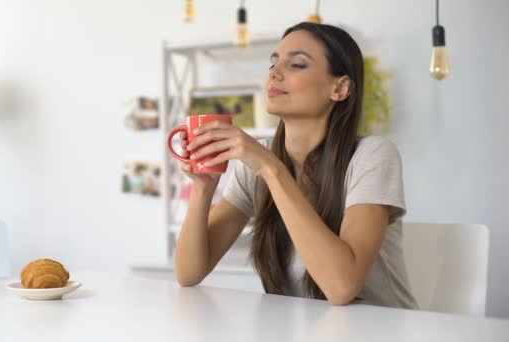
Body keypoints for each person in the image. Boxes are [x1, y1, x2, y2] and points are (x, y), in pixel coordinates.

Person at [173, 22, 418, 309]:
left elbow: (341, 288)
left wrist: (270, 168)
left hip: (384, 331)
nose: (274, 73)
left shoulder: (372, 156)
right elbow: (189, 273)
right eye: (273, 63)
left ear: (339, 88)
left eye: (297, 64)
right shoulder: (258, 161)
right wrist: (203, 187)